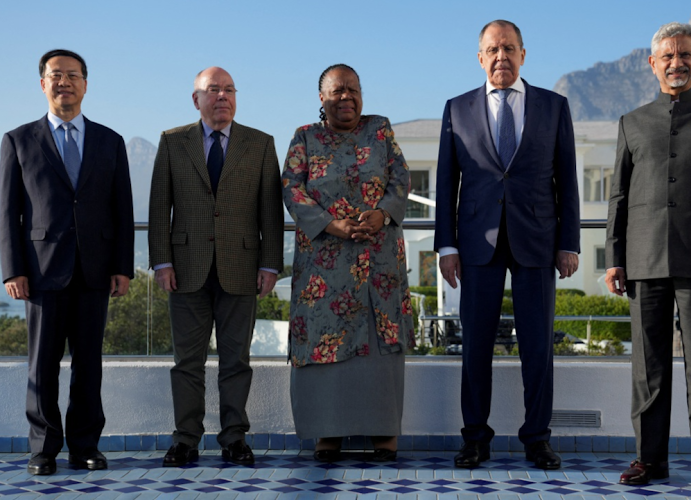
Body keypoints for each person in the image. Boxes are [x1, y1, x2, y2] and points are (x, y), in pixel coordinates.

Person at [605, 22, 691, 493]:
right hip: (644, 260)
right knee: (649, 369)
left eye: (684, 55)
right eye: (667, 57)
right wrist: (615, 258)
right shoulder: (631, 122)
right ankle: (649, 460)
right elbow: (618, 200)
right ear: (653, 64)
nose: (676, 63)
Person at [435, 20, 580, 469]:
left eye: (510, 49)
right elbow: (446, 183)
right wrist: (446, 246)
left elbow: (567, 181)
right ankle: (475, 438)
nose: (502, 57)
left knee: (537, 347)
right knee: (476, 346)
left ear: (523, 54)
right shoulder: (456, 108)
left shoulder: (554, 107)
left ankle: (537, 438)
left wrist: (569, 242)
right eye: (493, 49)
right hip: (477, 244)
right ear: (480, 57)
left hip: (537, 241)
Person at [0, 49, 134, 475]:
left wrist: (123, 266)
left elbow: (123, 210)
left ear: (86, 84)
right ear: (43, 84)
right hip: (39, 272)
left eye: (73, 75)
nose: (65, 82)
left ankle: (84, 446)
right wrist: (12, 269)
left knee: (88, 365)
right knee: (41, 365)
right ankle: (42, 449)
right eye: (56, 75)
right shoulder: (18, 140)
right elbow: (6, 213)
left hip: (95, 271)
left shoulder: (110, 141)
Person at [148, 67, 284, 467]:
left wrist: (271, 265)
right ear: (197, 99)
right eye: (213, 90)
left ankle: (234, 438)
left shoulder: (260, 144)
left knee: (236, 360)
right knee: (186, 362)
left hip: (242, 267)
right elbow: (159, 208)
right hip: (185, 268)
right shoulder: (173, 142)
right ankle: (186, 439)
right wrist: (161, 262)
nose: (222, 96)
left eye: (228, 90)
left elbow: (270, 213)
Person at [282, 64, 414, 463]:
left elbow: (401, 178)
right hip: (324, 265)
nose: (347, 97)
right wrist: (332, 225)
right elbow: (290, 187)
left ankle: (383, 432)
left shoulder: (381, 130)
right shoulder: (305, 137)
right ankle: (328, 433)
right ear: (321, 99)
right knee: (324, 342)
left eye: (353, 90)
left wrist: (383, 214)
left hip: (379, 261)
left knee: (379, 345)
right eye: (337, 91)